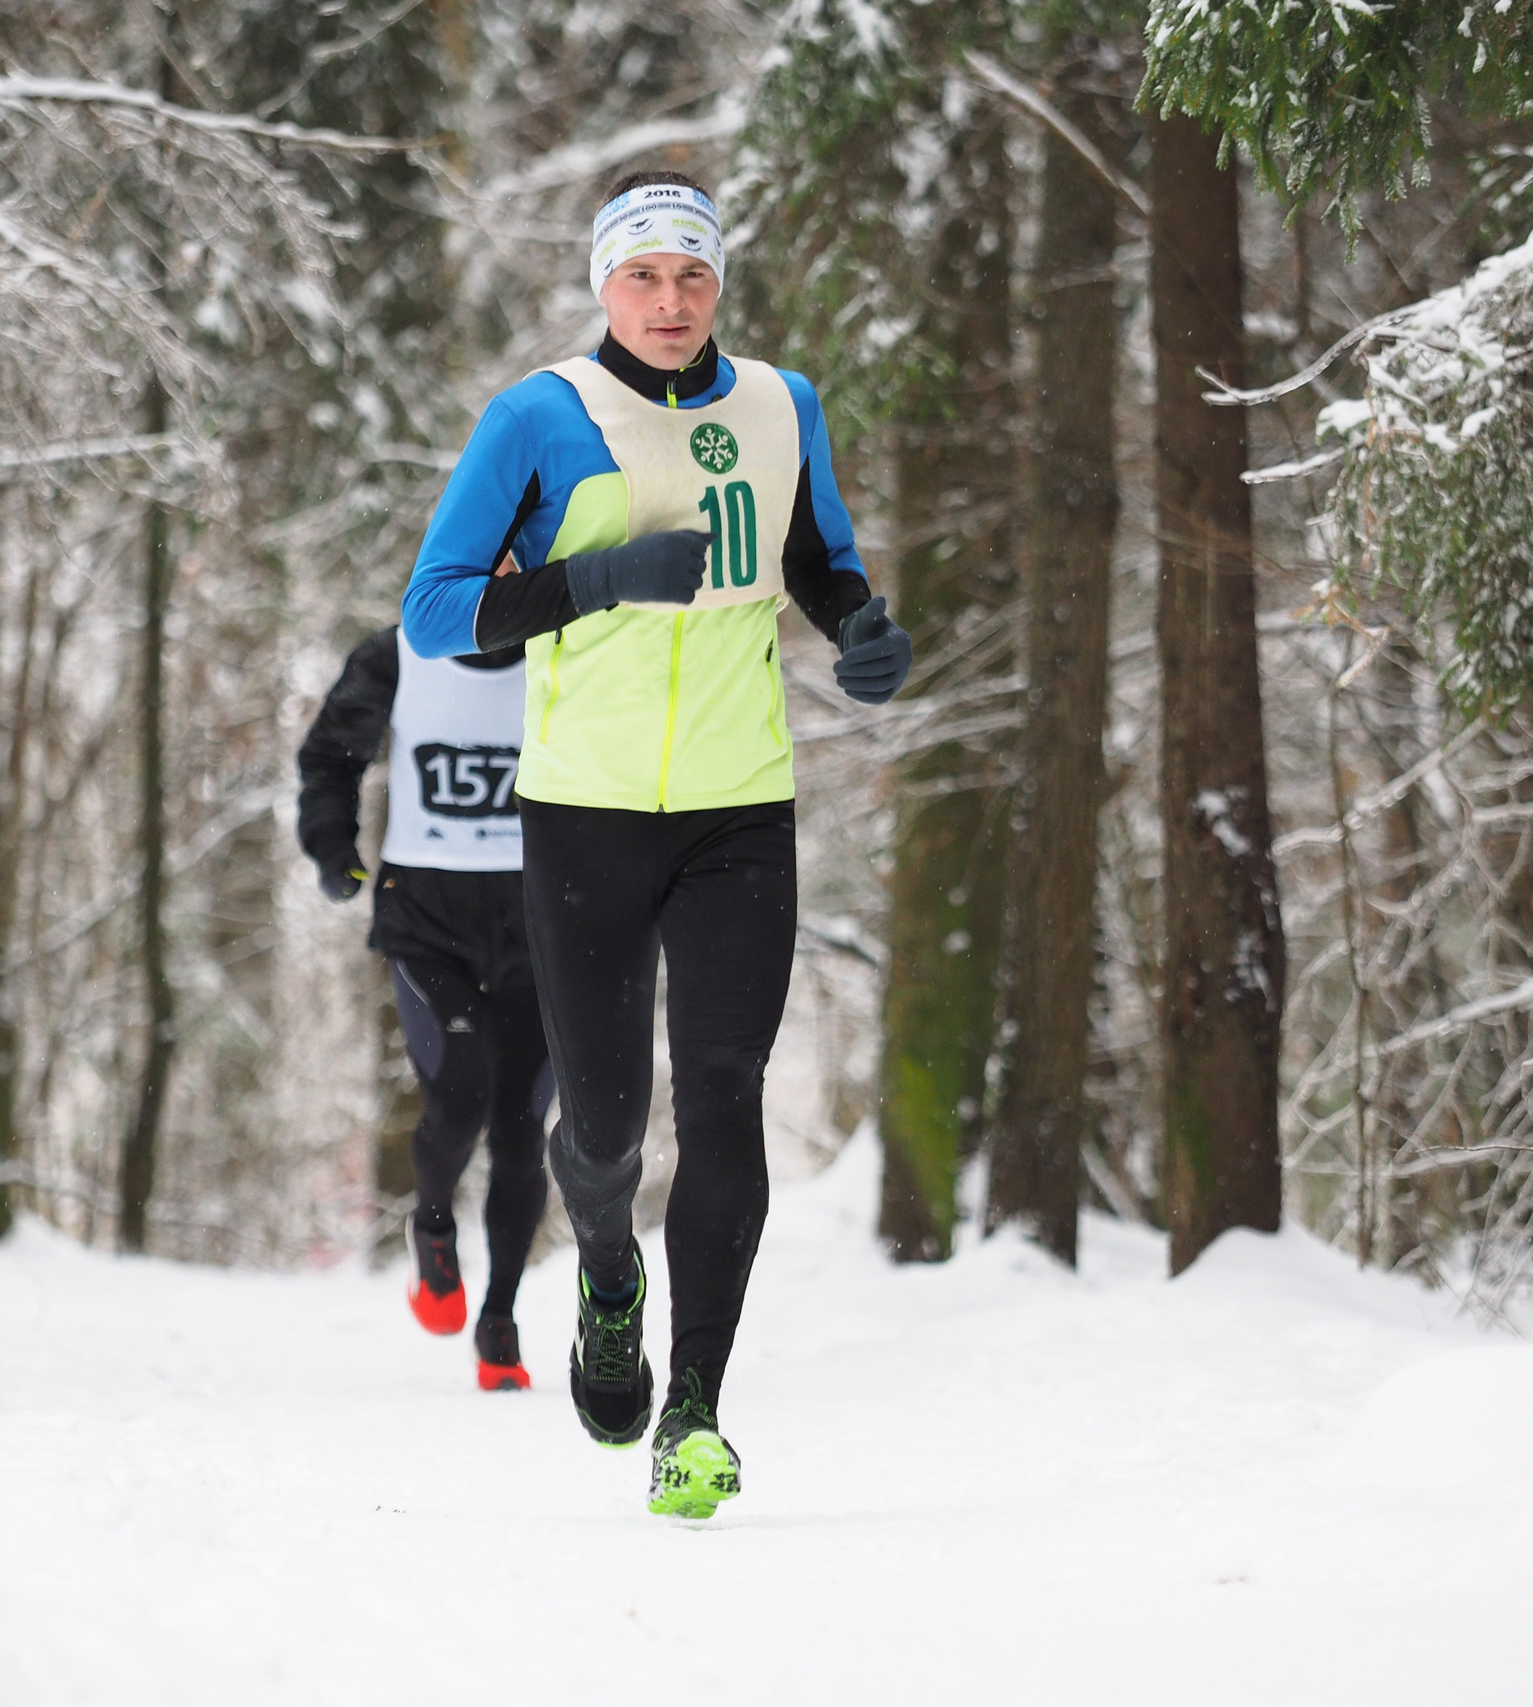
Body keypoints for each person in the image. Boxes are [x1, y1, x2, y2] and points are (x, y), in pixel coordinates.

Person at [400, 170, 913, 1517]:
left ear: (720, 284)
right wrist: (594, 581)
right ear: (601, 285)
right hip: (587, 810)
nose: (671, 302)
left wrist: (860, 628)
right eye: (643, 277)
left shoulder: (781, 404)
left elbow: (817, 553)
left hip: (742, 806)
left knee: (726, 1090)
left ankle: (695, 1408)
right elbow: (436, 611)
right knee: (608, 1124)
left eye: (693, 276)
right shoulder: (541, 418)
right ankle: (608, 1278)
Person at [295, 623, 552, 1392]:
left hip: (540, 923)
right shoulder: (400, 654)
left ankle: (499, 1315)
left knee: (519, 1130)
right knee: (464, 1086)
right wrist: (332, 848)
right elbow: (331, 756)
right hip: (426, 924)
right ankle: (433, 1225)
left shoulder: (567, 645)